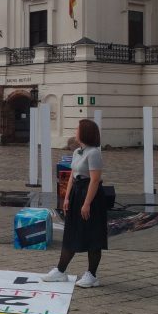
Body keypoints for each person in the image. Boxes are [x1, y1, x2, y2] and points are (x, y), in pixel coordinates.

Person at [43, 119, 107, 288]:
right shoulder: (78, 151)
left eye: (78, 129)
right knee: (71, 232)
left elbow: (94, 180)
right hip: (77, 193)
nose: (75, 131)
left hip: (90, 195)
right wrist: (67, 197)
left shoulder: (94, 153)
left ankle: (92, 274)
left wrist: (86, 204)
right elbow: (72, 175)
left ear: (85, 132)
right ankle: (60, 270)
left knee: (92, 235)